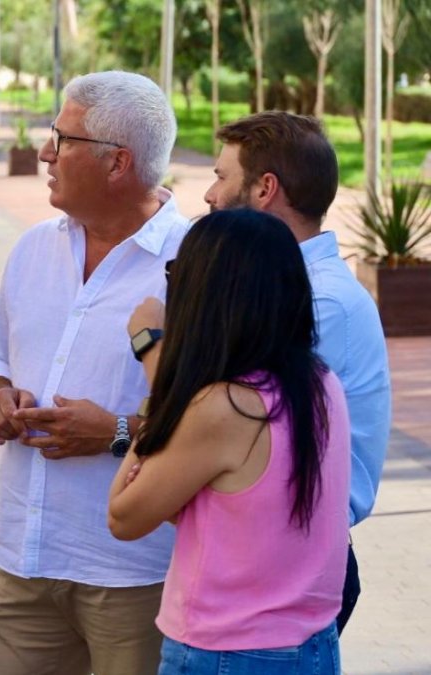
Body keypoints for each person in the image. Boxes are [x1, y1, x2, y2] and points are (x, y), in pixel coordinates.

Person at [0, 70, 188, 675]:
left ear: (118, 164)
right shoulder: (35, 247)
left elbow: (226, 419)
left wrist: (116, 432)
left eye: (61, 139)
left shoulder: (195, 266)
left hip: (136, 575)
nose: (44, 151)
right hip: (24, 562)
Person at [109, 208, 350, 673]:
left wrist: (152, 358)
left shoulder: (226, 406)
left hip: (226, 649)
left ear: (206, 290)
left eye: (178, 272)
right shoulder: (320, 383)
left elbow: (123, 515)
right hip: (311, 645)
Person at [204, 111, 391, 633]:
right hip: (271, 554)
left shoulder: (318, 300)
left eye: (221, 176)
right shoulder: (288, 287)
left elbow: (235, 424)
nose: (209, 194)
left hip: (291, 561)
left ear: (265, 189)